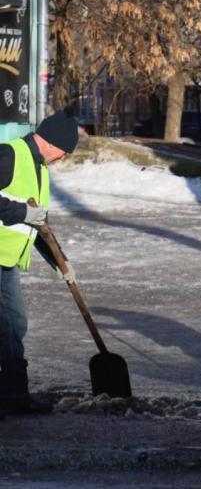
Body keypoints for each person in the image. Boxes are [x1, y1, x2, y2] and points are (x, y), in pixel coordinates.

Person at [0, 110, 79, 415]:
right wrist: (22, 213)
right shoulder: (9, 155)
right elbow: (26, 214)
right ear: (52, 142)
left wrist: (62, 263)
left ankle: (13, 396)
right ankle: (14, 397)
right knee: (10, 325)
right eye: (64, 151)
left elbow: (40, 225)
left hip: (5, 261)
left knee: (11, 325)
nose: (63, 158)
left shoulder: (39, 168)